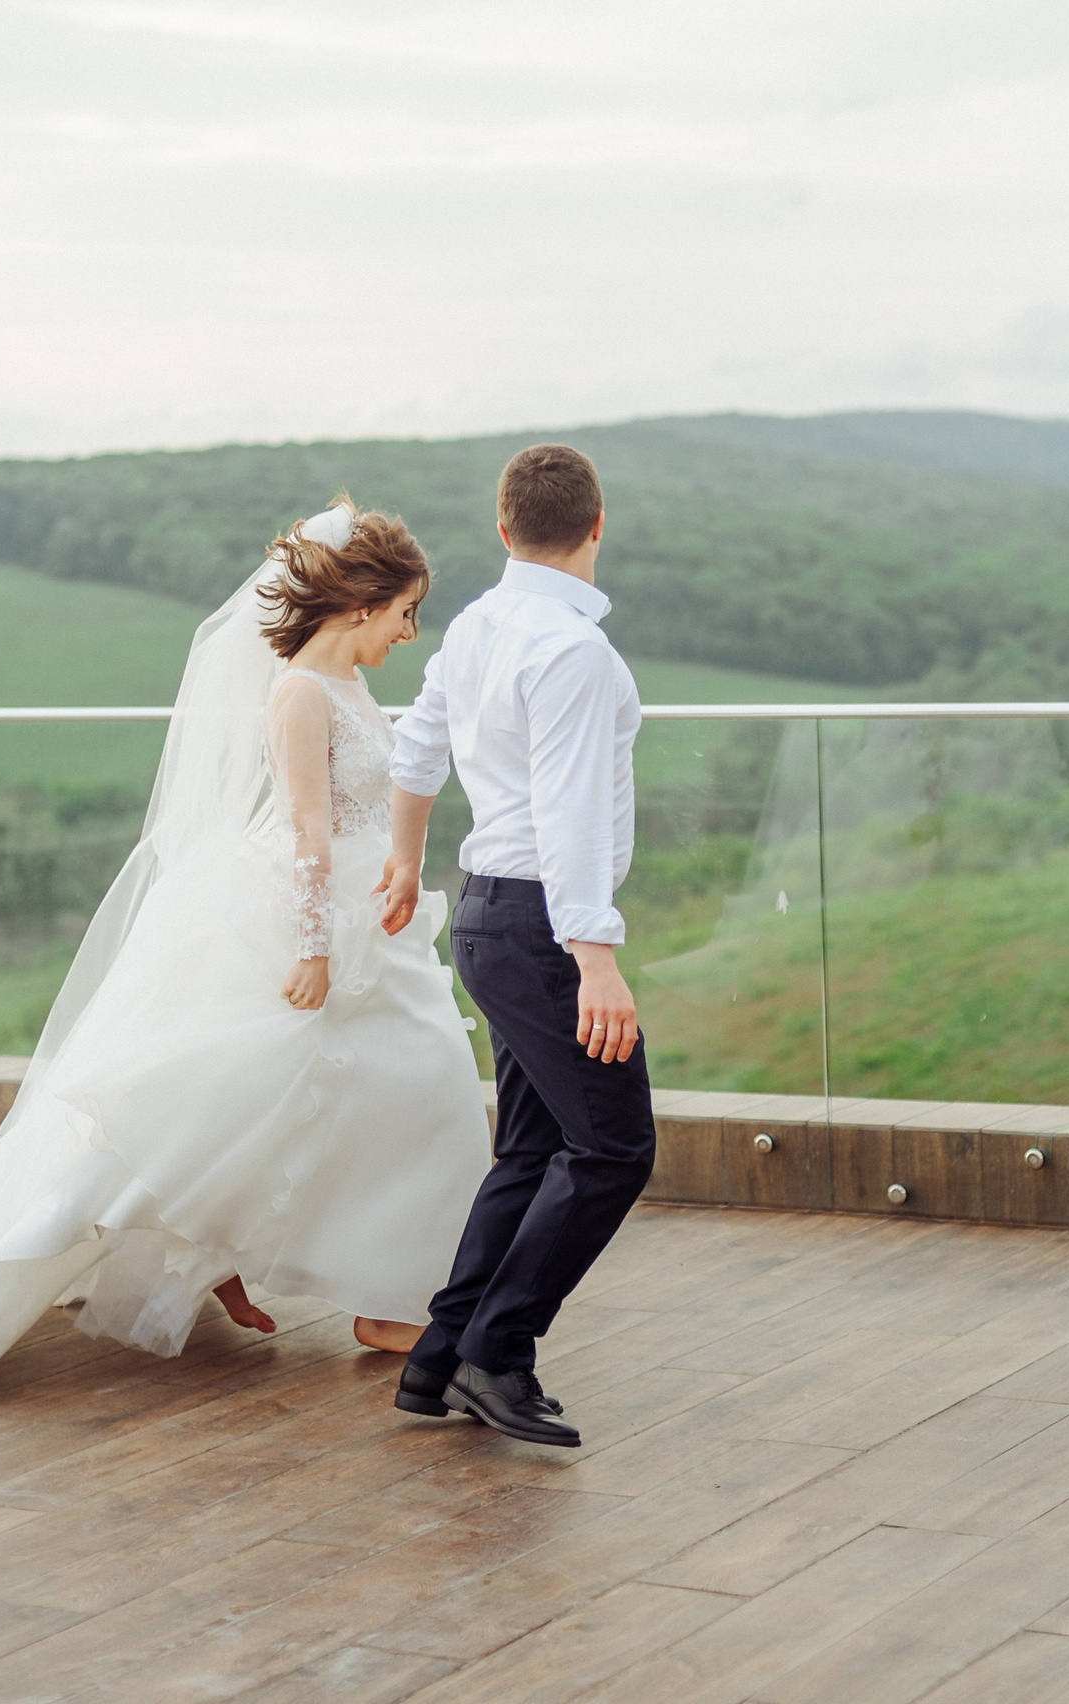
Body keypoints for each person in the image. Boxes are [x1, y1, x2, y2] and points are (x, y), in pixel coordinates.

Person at [0, 501, 494, 1400]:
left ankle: (383, 1291)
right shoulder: (297, 693)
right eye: (406, 612)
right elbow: (307, 832)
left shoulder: (356, 689)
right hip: (324, 926)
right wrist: (315, 949)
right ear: (363, 605)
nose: (410, 633)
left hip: (382, 928)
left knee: (406, 1093)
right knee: (272, 1101)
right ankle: (271, 1270)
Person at [379, 444, 652, 1449]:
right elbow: (572, 814)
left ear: (502, 530)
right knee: (615, 1147)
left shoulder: (479, 626)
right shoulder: (573, 651)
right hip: (542, 926)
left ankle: (439, 1361)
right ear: (597, 523)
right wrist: (597, 957)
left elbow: (414, 749)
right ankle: (500, 1350)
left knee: (533, 1148)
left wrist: (406, 863)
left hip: (488, 919)